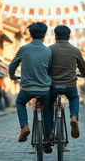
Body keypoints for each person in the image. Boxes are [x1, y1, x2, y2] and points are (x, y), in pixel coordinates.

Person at [8, 22, 52, 153]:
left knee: (20, 102)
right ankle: (47, 138)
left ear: (30, 34)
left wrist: (12, 76)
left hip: (27, 88)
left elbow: (12, 66)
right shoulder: (48, 51)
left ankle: (24, 126)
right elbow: (49, 70)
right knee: (46, 110)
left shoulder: (24, 49)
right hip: (44, 89)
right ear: (44, 35)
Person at [49, 25, 85, 139]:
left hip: (52, 85)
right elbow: (83, 67)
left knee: (49, 103)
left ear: (55, 36)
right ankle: (74, 117)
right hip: (70, 85)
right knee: (74, 98)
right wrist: (83, 74)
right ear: (69, 36)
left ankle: (50, 130)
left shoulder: (49, 49)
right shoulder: (75, 50)